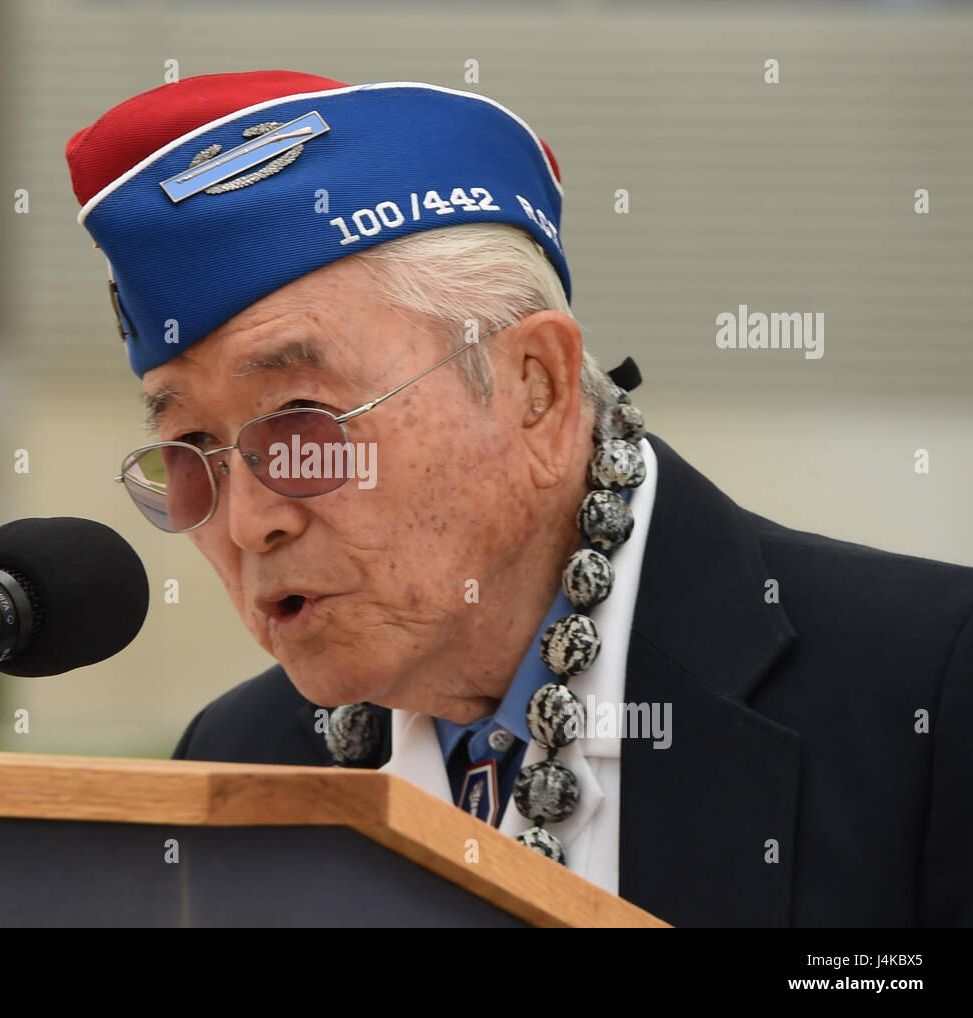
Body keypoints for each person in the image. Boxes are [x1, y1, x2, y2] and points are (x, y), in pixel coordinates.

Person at [65, 70, 973, 927]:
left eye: (302, 425)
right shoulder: (242, 757)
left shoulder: (930, 689)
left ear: (533, 386)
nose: (248, 521)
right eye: (189, 451)